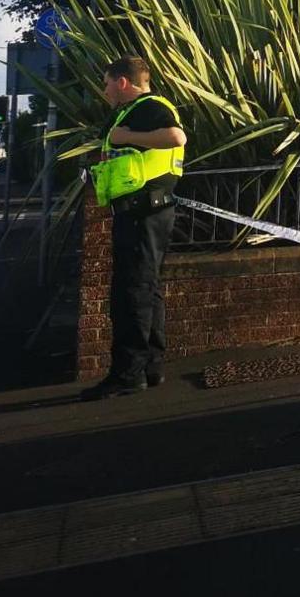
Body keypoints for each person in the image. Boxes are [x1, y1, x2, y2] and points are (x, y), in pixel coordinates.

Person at [82, 56, 187, 401]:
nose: (104, 89)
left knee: (131, 294)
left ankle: (127, 374)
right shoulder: (129, 112)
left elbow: (176, 136)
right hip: (143, 213)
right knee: (147, 289)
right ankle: (151, 366)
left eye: (107, 81)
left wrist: (127, 135)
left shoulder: (149, 106)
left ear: (123, 82)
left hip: (144, 213)